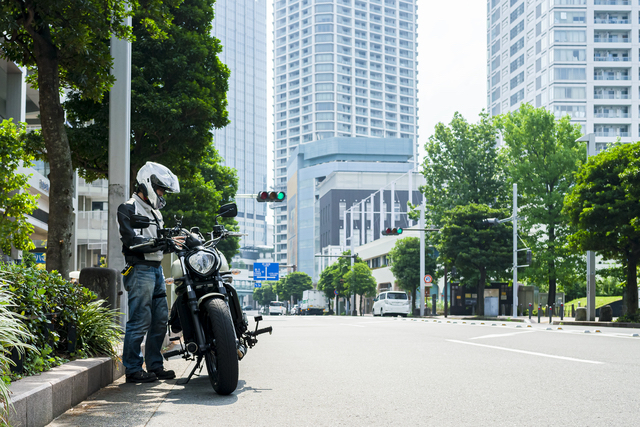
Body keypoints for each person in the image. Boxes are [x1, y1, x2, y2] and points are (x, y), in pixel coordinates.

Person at [117, 161, 184, 383]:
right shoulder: (128, 208)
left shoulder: (156, 213)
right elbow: (132, 240)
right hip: (140, 269)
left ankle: (155, 365)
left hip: (155, 270)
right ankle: (133, 369)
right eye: (160, 189)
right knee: (139, 319)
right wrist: (160, 242)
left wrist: (173, 242)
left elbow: (160, 242)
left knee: (159, 319)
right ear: (147, 184)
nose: (162, 194)